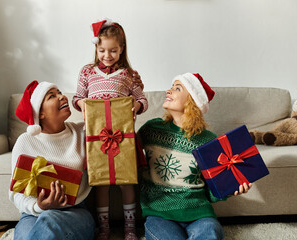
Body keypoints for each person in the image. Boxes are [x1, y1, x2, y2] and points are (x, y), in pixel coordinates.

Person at [138, 73, 252, 240]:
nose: (168, 91)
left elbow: (212, 190)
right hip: (159, 213)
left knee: (210, 233)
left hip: (199, 214)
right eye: (171, 87)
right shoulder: (151, 129)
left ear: (192, 101)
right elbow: (128, 153)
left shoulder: (208, 140)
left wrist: (231, 189)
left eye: (177, 88)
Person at [72, 18, 148, 240]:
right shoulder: (87, 72)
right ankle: (104, 228)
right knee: (101, 183)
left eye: (113, 50)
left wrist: (136, 105)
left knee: (127, 182)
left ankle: (130, 227)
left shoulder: (128, 74)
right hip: (96, 138)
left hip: (123, 138)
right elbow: (77, 97)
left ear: (121, 49)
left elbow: (142, 98)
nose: (107, 55)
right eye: (102, 50)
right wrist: (82, 104)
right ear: (96, 48)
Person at [9, 80, 95, 240]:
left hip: (75, 212)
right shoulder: (25, 141)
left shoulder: (82, 132)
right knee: (27, 235)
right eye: (52, 96)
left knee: (49, 223)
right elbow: (16, 193)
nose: (62, 97)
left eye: (60, 92)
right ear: (40, 113)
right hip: (33, 214)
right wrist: (39, 206)